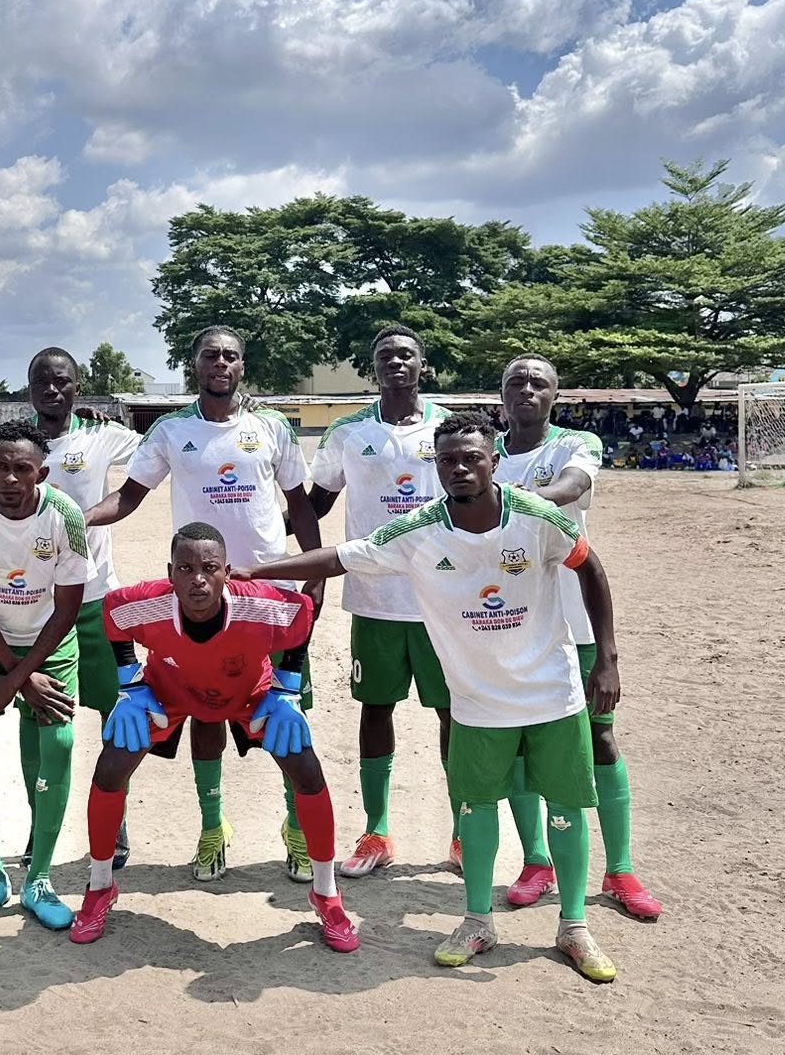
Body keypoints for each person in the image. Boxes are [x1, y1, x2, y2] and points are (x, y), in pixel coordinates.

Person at [257, 415, 623, 984]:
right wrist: (256, 569)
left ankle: (573, 926)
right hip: (477, 701)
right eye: (448, 459)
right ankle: (477, 920)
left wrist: (606, 658)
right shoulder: (420, 529)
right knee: (476, 809)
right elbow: (338, 557)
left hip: (553, 693)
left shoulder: (536, 518)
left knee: (566, 809)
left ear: (493, 460)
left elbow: (591, 569)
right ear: (436, 465)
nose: (459, 468)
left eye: (471, 457)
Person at [87, 326, 322, 884]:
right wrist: (75, 520)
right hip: (197, 598)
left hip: (268, 599)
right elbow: (128, 497)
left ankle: (297, 833)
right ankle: (213, 829)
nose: (221, 362)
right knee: (206, 716)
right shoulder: (171, 430)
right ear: (194, 365)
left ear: (243, 366)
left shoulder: (271, 428)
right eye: (211, 355)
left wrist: (314, 568)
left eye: (231, 355)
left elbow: (300, 504)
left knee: (289, 719)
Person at [70, 525, 357, 954]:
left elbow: (302, 618)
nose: (197, 579)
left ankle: (326, 894)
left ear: (227, 572)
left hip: (249, 694)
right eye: (185, 569)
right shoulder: (145, 604)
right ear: (170, 573)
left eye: (209, 568)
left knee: (307, 769)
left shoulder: (259, 605)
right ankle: (100, 886)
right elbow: (112, 615)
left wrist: (286, 689)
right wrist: (130, 685)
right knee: (111, 766)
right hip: (167, 694)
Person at [495, 356, 662, 923]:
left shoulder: (573, 444)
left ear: (554, 395)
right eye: (516, 381)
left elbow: (574, 486)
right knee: (517, 743)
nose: (526, 389)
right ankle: (536, 861)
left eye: (538, 382)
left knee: (601, 741)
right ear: (501, 395)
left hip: (577, 624)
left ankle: (619, 870)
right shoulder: (483, 454)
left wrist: (609, 656)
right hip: (509, 625)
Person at [0, 349, 140, 872]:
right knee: (38, 721)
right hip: (33, 610)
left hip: (96, 601)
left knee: (115, 714)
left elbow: (164, 451)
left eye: (62, 381)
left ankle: (112, 827)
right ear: (27, 387)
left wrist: (79, 519)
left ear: (77, 386)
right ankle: (38, 829)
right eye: (41, 382)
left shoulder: (101, 435)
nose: (52, 390)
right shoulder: (4, 444)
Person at [307, 325, 452, 877]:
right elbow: (315, 503)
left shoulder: (448, 429)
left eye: (406, 354)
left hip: (442, 596)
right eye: (386, 355)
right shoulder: (348, 432)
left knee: (452, 712)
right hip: (373, 597)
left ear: (422, 365)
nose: (396, 362)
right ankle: (377, 830)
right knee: (376, 708)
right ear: (374, 367)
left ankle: (462, 832)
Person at [0, 422, 89, 927]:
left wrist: (23, 675)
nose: (9, 478)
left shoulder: (65, 517)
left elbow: (67, 610)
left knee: (62, 743)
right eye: (0, 466)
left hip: (49, 641)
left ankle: (39, 879)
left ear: (41, 473)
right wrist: (17, 678)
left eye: (21, 468)